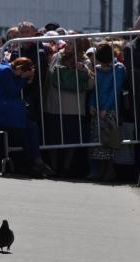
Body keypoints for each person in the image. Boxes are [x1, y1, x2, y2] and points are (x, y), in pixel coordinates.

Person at [0, 57, 54, 177]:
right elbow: (13, 92)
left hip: (4, 109)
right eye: (24, 74)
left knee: (31, 127)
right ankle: (35, 163)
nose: (22, 76)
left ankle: (37, 161)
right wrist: (26, 80)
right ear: (20, 69)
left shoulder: (5, 69)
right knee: (26, 130)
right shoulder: (5, 71)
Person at [43, 39, 94, 176]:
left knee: (71, 140)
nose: (68, 46)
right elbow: (49, 77)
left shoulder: (85, 61)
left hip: (75, 108)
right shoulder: (56, 56)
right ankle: (53, 167)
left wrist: (83, 69)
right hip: (54, 106)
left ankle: (66, 168)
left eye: (72, 43)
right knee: (53, 139)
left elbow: (90, 84)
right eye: (67, 42)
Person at [87, 41, 126, 181]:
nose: (101, 66)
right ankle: (99, 170)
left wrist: (106, 108)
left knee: (109, 141)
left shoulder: (119, 68)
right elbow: (94, 90)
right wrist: (91, 104)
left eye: (104, 63)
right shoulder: (96, 68)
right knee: (96, 142)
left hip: (111, 110)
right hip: (97, 110)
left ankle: (109, 171)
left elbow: (115, 90)